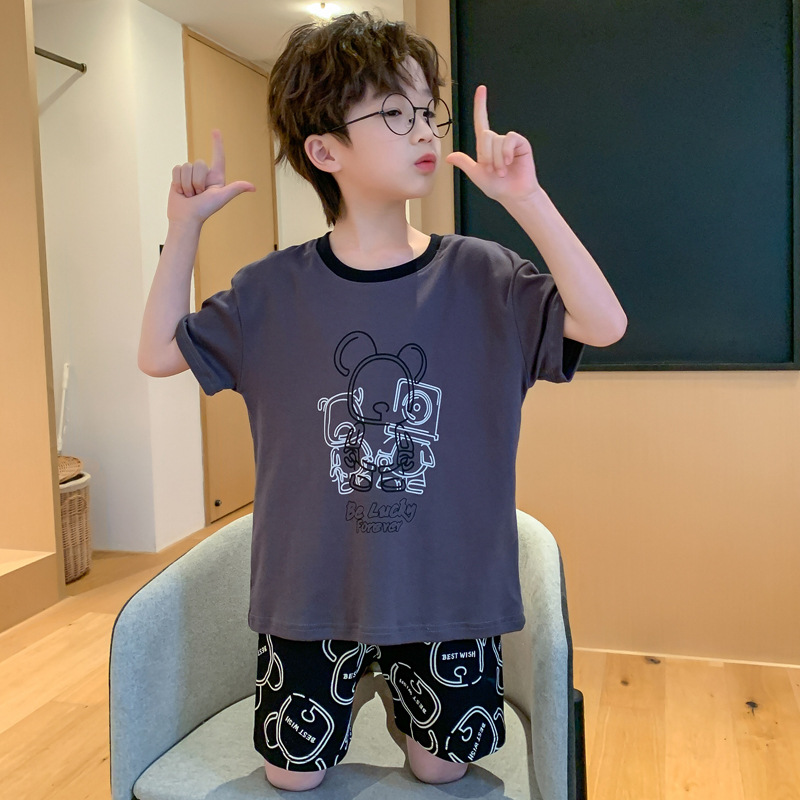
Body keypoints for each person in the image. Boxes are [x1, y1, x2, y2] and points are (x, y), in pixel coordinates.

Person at [138, 10, 626, 792]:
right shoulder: (270, 291)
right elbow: (159, 353)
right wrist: (183, 228)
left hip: (448, 594)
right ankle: (362, 693)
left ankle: (399, 706)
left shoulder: (484, 276)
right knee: (292, 776)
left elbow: (604, 324)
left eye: (426, 110)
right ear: (324, 151)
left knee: (442, 770)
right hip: (310, 593)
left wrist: (526, 199)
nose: (423, 129)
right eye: (394, 113)